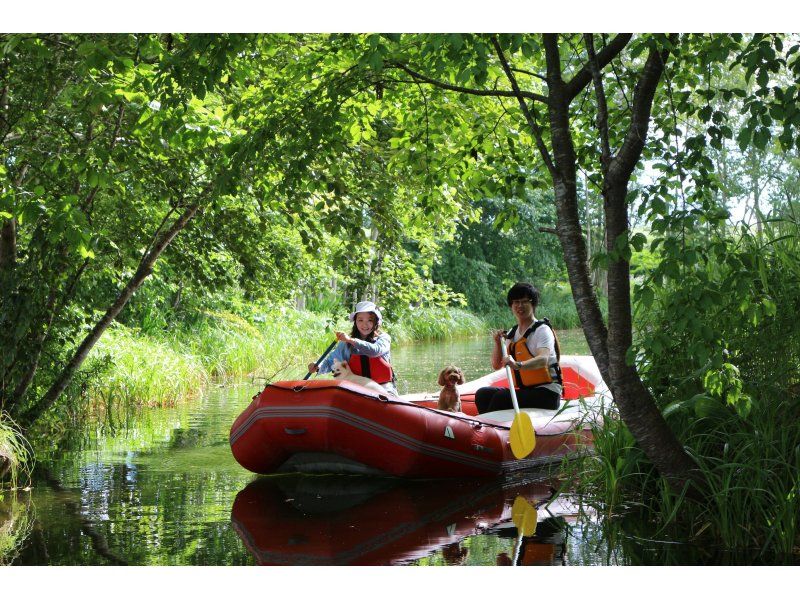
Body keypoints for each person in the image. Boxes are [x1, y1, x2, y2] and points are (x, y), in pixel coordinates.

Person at [475, 282, 562, 414]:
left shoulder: (542, 330)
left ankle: (490, 429)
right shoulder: (512, 332)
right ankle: (487, 429)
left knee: (501, 398)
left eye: (524, 301)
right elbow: (496, 365)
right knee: (483, 394)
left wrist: (517, 364)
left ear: (533, 304)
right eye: (516, 302)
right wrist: (498, 344)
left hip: (547, 393)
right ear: (511, 305)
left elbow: (543, 359)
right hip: (527, 391)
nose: (520, 306)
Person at [308, 300, 398, 396]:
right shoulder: (346, 344)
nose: (365, 324)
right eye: (360, 320)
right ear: (355, 322)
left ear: (376, 322)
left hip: (384, 388)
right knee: (339, 370)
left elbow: (375, 351)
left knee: (386, 395)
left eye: (370, 320)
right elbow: (331, 361)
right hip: (357, 389)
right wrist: (318, 366)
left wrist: (351, 340)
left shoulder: (384, 339)